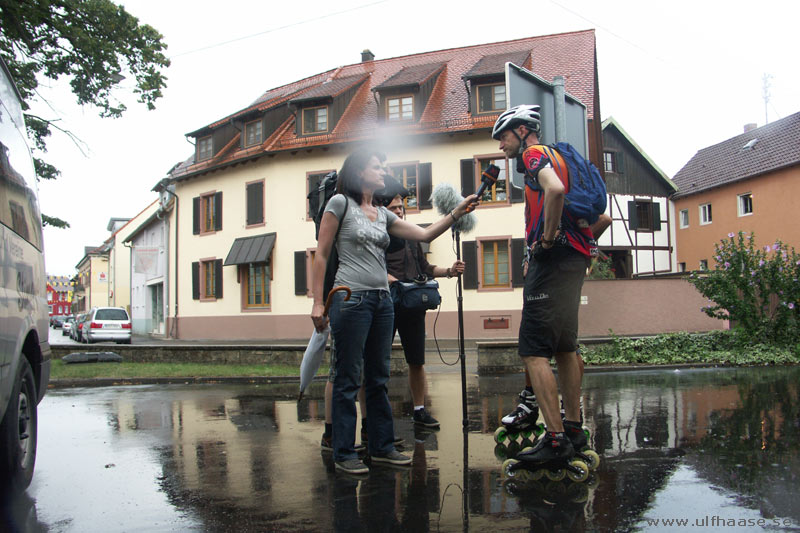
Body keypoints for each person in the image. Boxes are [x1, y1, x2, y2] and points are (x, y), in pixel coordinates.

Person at [311, 147, 477, 475]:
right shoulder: (340, 204)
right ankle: (344, 453)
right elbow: (321, 253)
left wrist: (457, 213)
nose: (383, 171)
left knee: (378, 378)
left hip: (382, 301)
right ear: (360, 172)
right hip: (351, 299)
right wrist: (318, 302)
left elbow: (426, 233)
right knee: (347, 378)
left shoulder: (384, 214)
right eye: (377, 165)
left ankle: (382, 447)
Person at [491, 104, 597, 467]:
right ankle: (573, 430)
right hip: (574, 261)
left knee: (534, 351)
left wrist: (548, 240)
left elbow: (554, 191)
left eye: (503, 136)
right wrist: (582, 247)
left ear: (522, 131)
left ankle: (554, 442)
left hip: (552, 262)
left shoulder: (535, 154)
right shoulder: (560, 155)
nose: (501, 146)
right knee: (566, 348)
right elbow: (603, 216)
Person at [384, 193, 465, 429]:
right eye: (393, 207)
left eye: (401, 207)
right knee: (379, 362)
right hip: (387, 304)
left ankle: (420, 411)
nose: (399, 211)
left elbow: (426, 267)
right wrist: (393, 282)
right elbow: (374, 266)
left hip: (412, 305)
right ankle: (378, 416)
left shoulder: (411, 236)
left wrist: (449, 271)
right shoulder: (378, 235)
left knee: (417, 361)